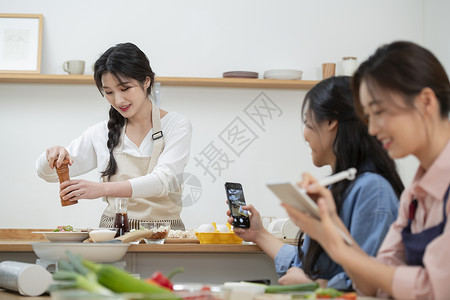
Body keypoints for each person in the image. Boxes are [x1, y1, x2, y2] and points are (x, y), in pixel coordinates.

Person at [283, 41, 450, 299]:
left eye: (379, 112)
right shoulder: (414, 195)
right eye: (368, 117)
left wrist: (333, 243)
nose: (372, 129)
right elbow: (374, 282)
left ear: (426, 102)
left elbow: (432, 288)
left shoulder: (380, 188)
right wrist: (329, 228)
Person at [229, 76, 404, 290]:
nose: (304, 135)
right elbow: (311, 266)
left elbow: (372, 283)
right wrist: (259, 235)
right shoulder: (337, 187)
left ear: (331, 122)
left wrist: (317, 285)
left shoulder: (372, 190)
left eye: (308, 123)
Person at [36, 42, 192, 230]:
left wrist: (100, 189)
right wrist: (52, 156)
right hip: (112, 238)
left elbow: (163, 181)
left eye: (125, 88)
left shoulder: (176, 125)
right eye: (109, 92)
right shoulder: (101, 133)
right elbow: (49, 174)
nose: (118, 100)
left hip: (165, 237)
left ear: (147, 81)